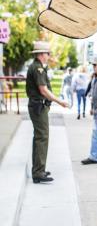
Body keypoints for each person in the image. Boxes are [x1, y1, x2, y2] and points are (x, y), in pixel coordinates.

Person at [26, 41, 69, 184]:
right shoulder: (37, 68)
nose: (48, 56)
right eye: (47, 53)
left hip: (37, 106)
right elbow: (43, 90)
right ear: (41, 54)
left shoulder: (37, 67)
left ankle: (38, 169)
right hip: (39, 107)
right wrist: (60, 102)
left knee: (39, 137)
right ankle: (38, 172)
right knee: (42, 138)